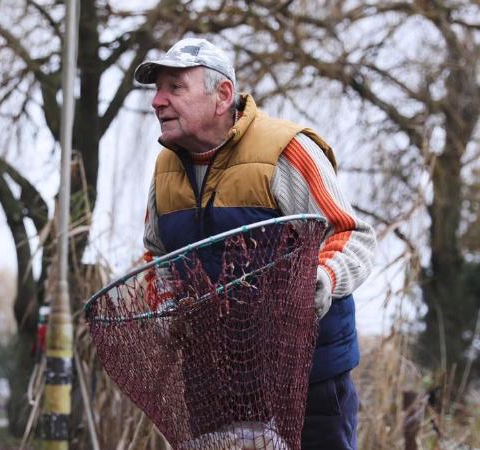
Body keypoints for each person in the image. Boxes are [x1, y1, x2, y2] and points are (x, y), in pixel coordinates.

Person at [135, 37, 376, 450]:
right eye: (158, 89)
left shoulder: (286, 149)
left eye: (175, 88)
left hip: (308, 377)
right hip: (214, 384)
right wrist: (165, 304)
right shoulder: (164, 169)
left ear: (222, 95)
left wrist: (322, 278)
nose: (157, 100)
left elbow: (350, 234)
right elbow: (157, 256)